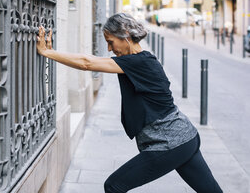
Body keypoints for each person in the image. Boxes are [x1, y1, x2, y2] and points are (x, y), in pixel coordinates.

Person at [36, 13, 222, 193]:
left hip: (170, 143)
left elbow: (87, 63)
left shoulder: (139, 62)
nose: (110, 49)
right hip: (186, 139)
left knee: (114, 186)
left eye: (110, 42)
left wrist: (47, 52)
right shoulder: (140, 60)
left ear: (125, 36)